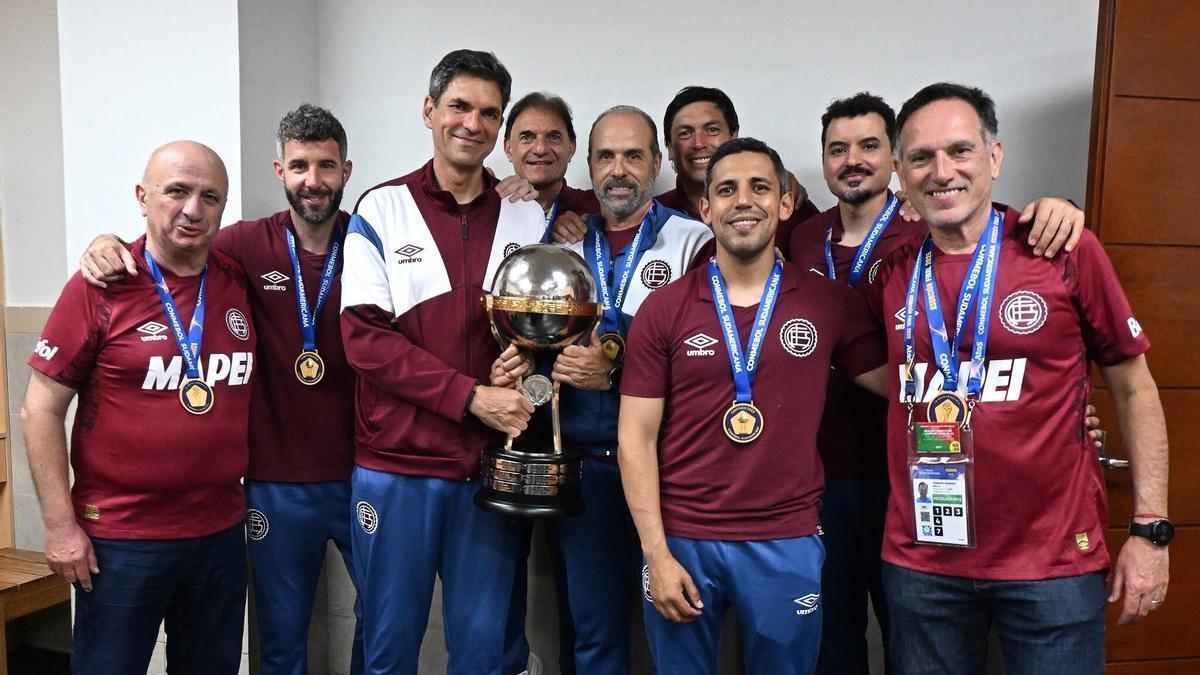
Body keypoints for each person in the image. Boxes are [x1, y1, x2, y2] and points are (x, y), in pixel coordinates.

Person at [868, 82, 1170, 674]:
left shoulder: (1061, 248)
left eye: (960, 151)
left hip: (1052, 564)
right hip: (923, 563)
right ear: (900, 173)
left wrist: (1151, 532)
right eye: (922, 158)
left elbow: (1135, 388)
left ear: (995, 157)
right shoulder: (892, 270)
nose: (942, 171)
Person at [787, 91, 1087, 675]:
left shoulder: (922, 232)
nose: (853, 160)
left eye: (869, 146)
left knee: (911, 638)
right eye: (837, 149)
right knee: (834, 633)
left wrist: (1062, 207)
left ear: (893, 162)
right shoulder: (801, 236)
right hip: (825, 472)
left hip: (907, 475)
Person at [77, 104, 365, 675]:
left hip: (368, 471)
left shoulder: (373, 240)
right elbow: (170, 245)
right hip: (274, 483)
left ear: (346, 171)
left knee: (385, 622)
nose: (314, 181)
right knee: (280, 640)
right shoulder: (242, 245)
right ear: (279, 170)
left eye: (326, 166)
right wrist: (105, 240)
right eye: (300, 165)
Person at [618, 137, 890, 675]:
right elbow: (635, 438)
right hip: (683, 538)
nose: (744, 201)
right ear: (706, 207)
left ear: (785, 203)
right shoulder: (664, 307)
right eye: (726, 190)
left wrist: (1045, 402)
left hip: (785, 540)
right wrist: (655, 552)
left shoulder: (828, 302)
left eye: (760, 187)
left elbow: (909, 387)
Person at [340, 49, 546, 674]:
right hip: (396, 467)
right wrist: (471, 397)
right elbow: (365, 341)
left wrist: (527, 373)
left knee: (485, 654)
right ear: (430, 111)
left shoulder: (526, 212)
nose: (472, 123)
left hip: (488, 470)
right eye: (459, 106)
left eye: (489, 112)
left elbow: (545, 339)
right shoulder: (381, 207)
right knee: (387, 650)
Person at [21, 141, 255, 674]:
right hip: (122, 539)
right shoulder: (100, 285)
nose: (193, 209)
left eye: (210, 196)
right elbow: (39, 409)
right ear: (142, 197)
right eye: (177, 191)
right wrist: (60, 527)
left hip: (218, 533)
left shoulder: (237, 281)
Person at [495, 104, 713, 674]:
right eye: (606, 156)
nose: (619, 169)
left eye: (633, 155)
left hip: (670, 473)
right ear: (587, 167)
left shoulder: (695, 242)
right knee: (593, 632)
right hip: (586, 468)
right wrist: (514, 365)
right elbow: (531, 337)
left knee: (682, 623)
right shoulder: (561, 244)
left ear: (658, 163)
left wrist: (615, 369)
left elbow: (708, 355)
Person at [656, 86, 819, 258]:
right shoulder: (653, 216)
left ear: (734, 137)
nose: (699, 143)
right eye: (685, 133)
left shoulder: (785, 203)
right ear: (669, 148)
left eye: (712, 130)